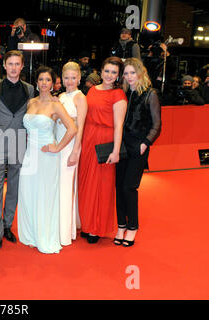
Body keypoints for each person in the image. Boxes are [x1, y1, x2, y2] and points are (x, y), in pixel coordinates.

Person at [18, 66, 77, 254]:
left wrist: (57, 147)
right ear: (37, 82)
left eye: (48, 80)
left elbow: (72, 129)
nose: (44, 83)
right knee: (28, 194)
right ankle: (32, 234)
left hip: (47, 156)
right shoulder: (31, 102)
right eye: (41, 79)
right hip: (30, 156)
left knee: (45, 196)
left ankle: (45, 235)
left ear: (53, 83)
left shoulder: (56, 104)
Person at [0, 50, 35, 256]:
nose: (14, 67)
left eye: (17, 64)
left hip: (19, 142)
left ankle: (7, 225)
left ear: (22, 66)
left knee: (14, 186)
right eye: (10, 64)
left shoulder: (30, 89)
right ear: (4, 65)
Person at [78, 56, 127, 244]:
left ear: (118, 76)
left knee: (101, 186)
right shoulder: (91, 90)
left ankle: (96, 228)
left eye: (114, 72)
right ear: (101, 71)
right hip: (88, 139)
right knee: (86, 182)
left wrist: (115, 151)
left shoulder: (118, 95)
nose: (109, 75)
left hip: (105, 142)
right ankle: (87, 223)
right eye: (107, 71)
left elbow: (119, 125)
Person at [115, 57, 161, 247]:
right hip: (122, 145)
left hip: (138, 146)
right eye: (126, 73)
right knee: (119, 188)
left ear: (140, 73)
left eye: (132, 73)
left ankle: (133, 227)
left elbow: (157, 124)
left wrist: (146, 143)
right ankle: (121, 225)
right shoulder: (124, 93)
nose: (129, 76)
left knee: (129, 187)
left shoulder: (150, 94)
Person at [56, 62, 88, 246]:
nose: (70, 81)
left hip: (71, 147)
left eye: (73, 78)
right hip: (59, 143)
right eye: (66, 77)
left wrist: (76, 151)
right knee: (60, 186)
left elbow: (81, 126)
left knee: (66, 186)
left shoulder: (80, 98)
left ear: (79, 78)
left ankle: (65, 232)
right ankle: (61, 225)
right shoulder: (60, 96)